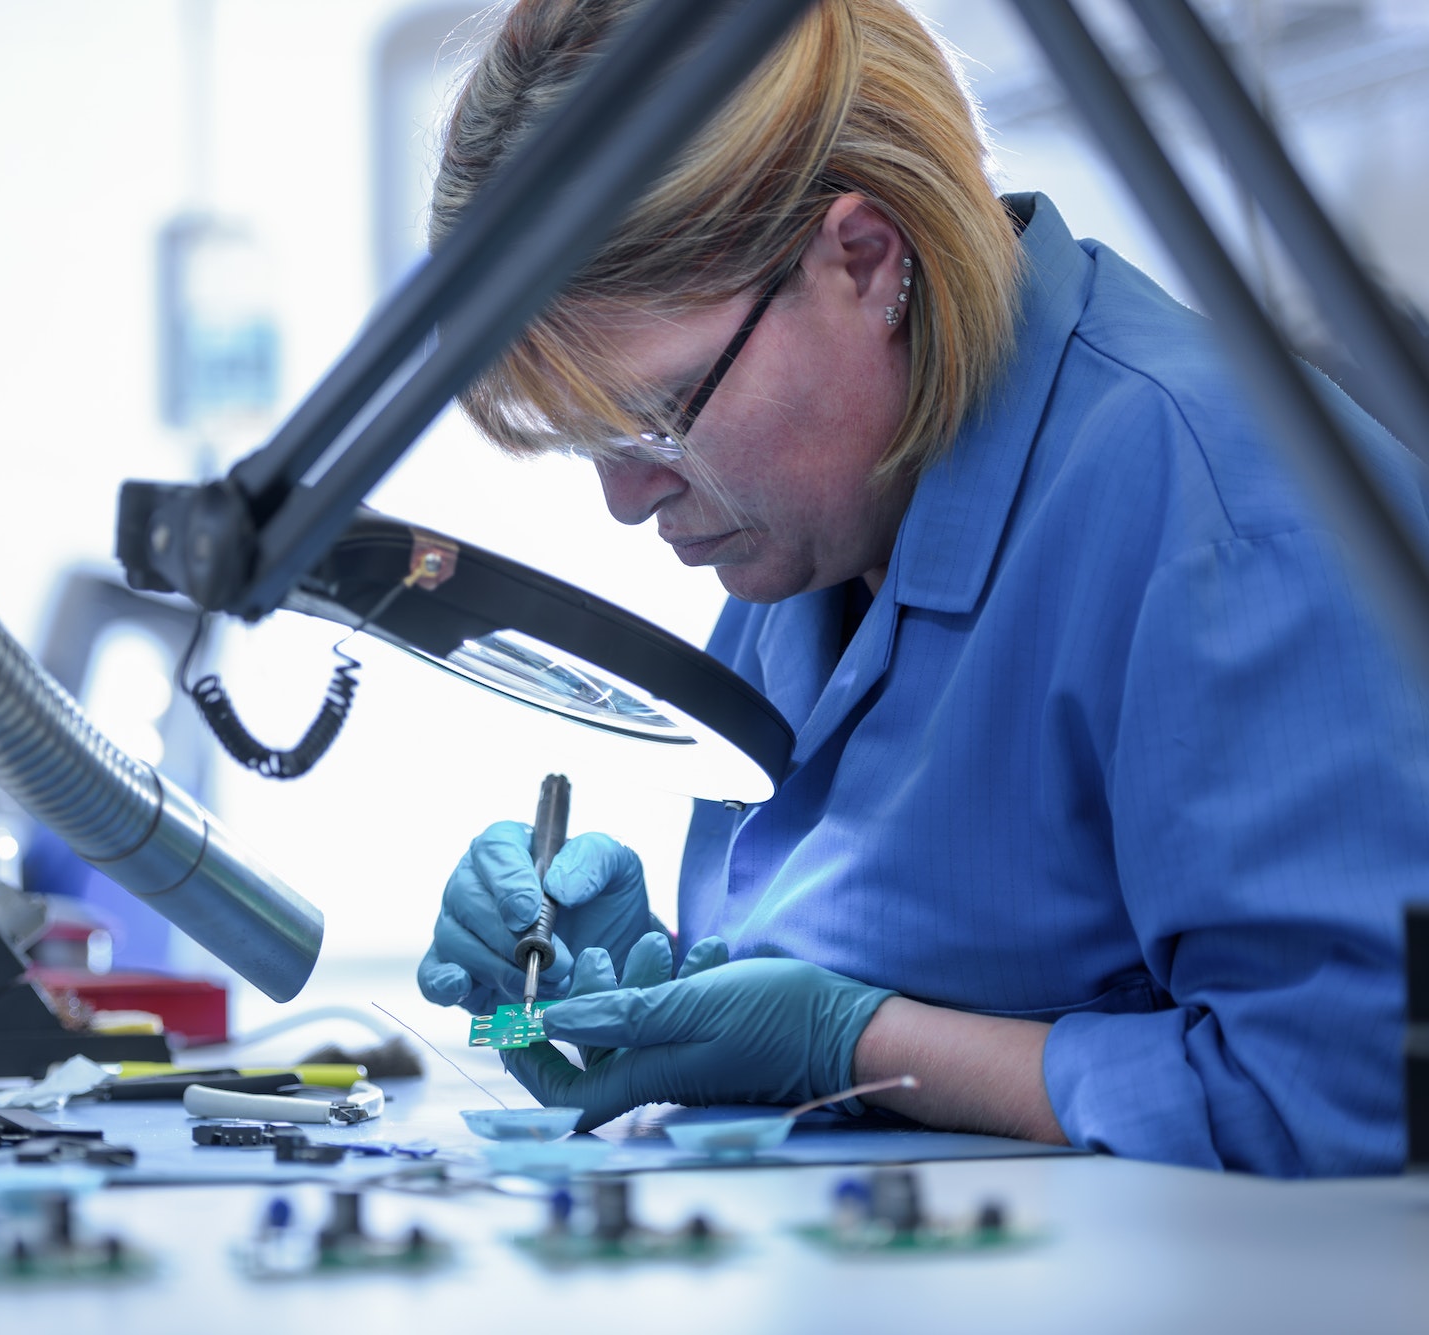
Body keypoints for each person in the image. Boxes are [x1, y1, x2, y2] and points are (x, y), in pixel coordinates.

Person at [414, 0, 1429, 1178]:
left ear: (862, 258)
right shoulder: (812, 535)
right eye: (589, 438)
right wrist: (598, 993)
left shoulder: (1221, 506)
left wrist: (856, 1046)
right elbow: (825, 966)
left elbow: (1342, 1090)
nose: (625, 501)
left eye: (655, 415)